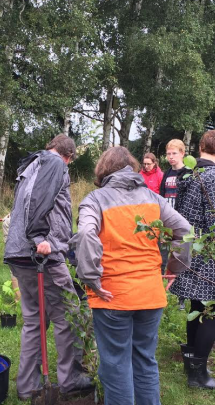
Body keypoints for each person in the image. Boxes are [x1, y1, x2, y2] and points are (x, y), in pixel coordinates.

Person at [72, 146, 192, 405]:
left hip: (112, 296)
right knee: (144, 360)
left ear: (103, 169)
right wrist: (174, 268)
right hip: (150, 294)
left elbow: (84, 235)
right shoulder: (153, 198)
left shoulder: (95, 199)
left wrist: (92, 278)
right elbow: (185, 230)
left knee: (116, 366)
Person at [4, 134, 92, 400]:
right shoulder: (55, 163)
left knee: (35, 320)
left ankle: (28, 385)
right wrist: (41, 237)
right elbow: (40, 199)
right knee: (69, 314)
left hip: (19, 253)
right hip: (42, 255)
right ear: (68, 156)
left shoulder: (32, 166)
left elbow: (28, 201)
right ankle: (70, 379)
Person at [169, 130, 215, 389]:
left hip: (191, 249)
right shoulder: (214, 177)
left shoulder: (187, 174)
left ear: (199, 148)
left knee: (198, 306)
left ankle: (195, 369)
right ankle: (198, 375)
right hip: (210, 255)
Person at [158, 139, 191, 310]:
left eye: (174, 153)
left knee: (181, 256)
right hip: (166, 222)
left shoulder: (189, 173)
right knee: (163, 257)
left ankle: (182, 298)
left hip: (182, 222)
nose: (171, 157)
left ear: (182, 153)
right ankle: (160, 291)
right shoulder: (167, 174)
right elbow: (162, 197)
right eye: (168, 154)